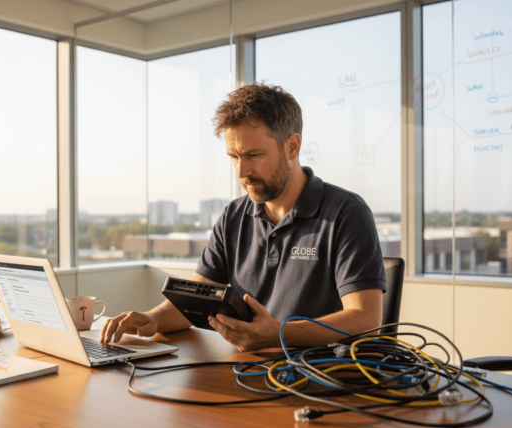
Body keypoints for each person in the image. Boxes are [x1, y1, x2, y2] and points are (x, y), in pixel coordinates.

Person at [100, 83, 386, 352]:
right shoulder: (234, 215)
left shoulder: (347, 213)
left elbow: (366, 320)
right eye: (234, 157)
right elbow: (197, 298)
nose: (241, 172)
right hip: (246, 370)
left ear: (292, 147)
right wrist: (153, 318)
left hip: (321, 377)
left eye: (254, 155)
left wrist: (278, 333)